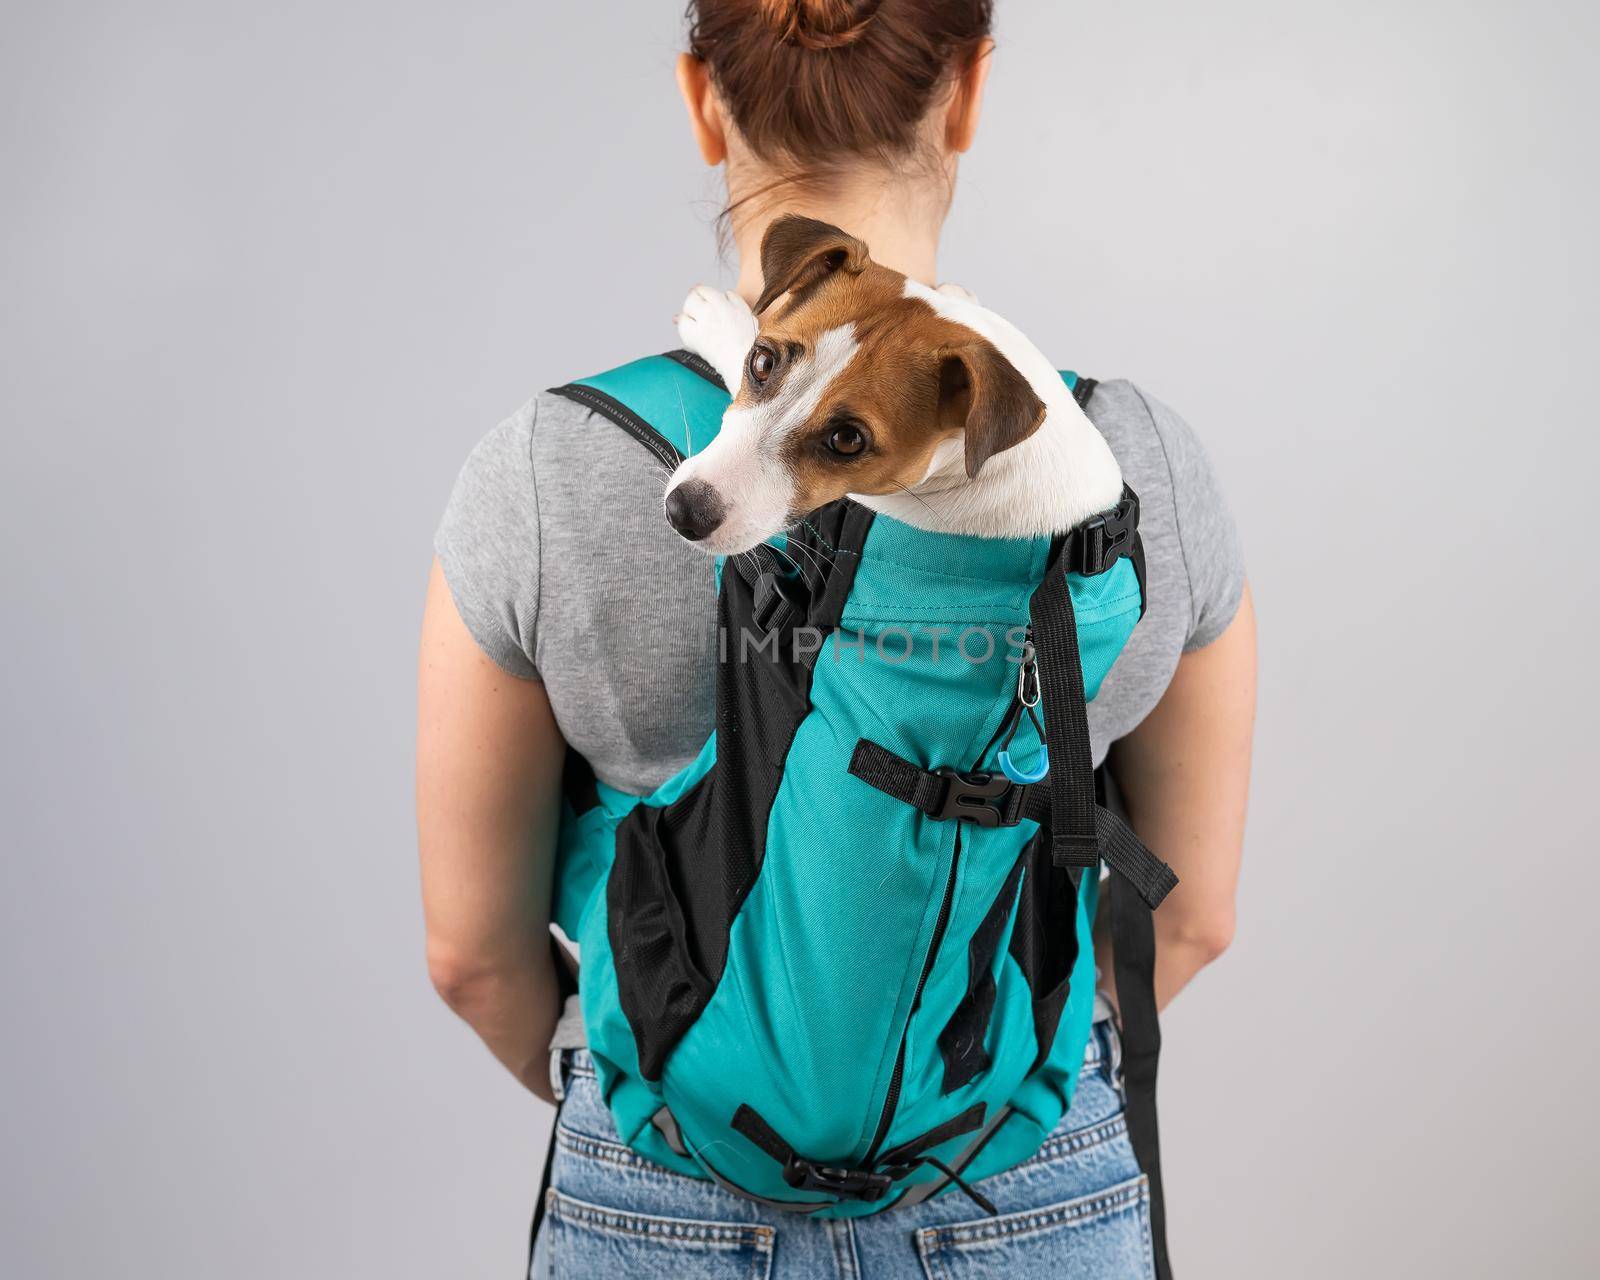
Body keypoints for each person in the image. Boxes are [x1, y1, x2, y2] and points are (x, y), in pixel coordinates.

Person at [416, 2, 1256, 1274]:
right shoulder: (1143, 469)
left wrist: (646, 1088)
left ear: (702, 98)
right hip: (1020, 1175)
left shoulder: (542, 468)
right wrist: (972, 1093)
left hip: (661, 1172)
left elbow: (472, 956)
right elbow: (1188, 920)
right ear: (969, 91)